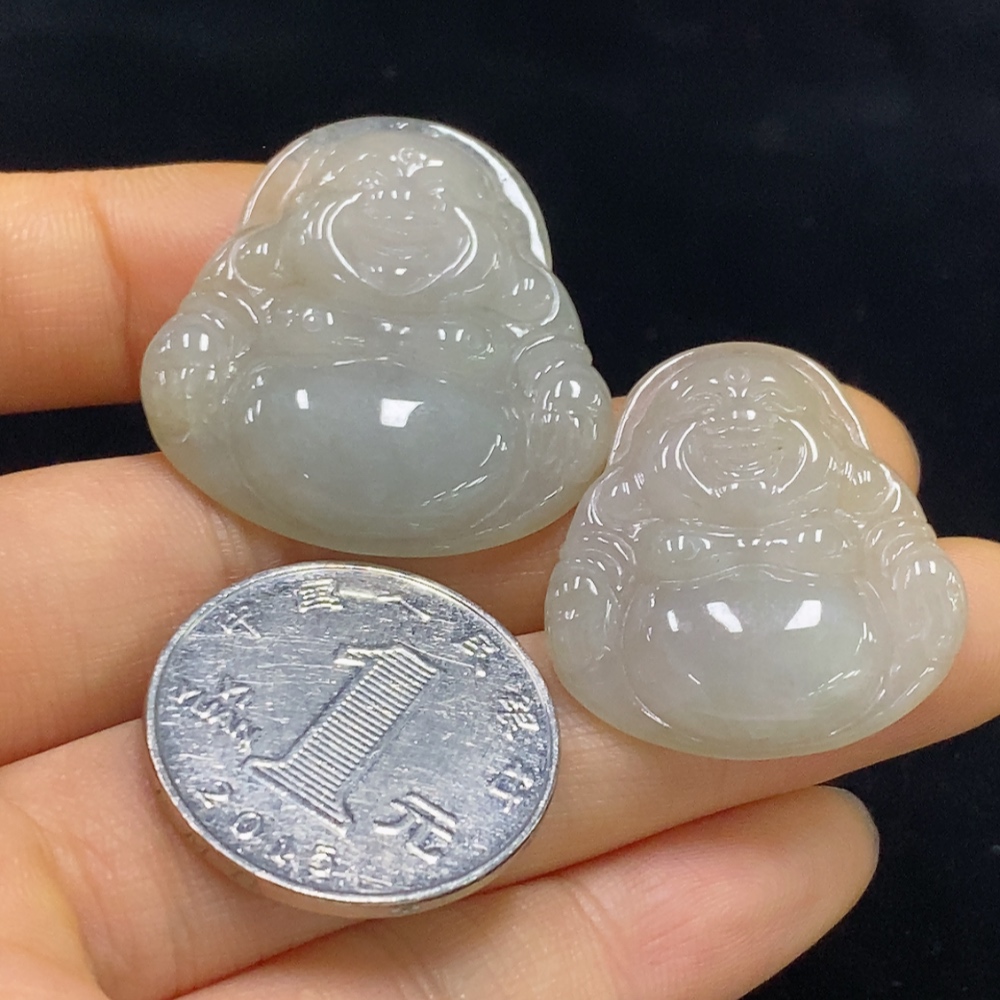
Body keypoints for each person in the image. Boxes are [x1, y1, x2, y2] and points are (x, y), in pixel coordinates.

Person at [0, 162, 996, 1000]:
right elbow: (211, 344)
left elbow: (562, 405)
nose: (400, 217)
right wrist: (210, 358)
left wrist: (561, 428)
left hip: (707, 604)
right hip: (295, 433)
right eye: (375, 197)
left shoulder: (827, 500)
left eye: (763, 423)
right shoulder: (273, 282)